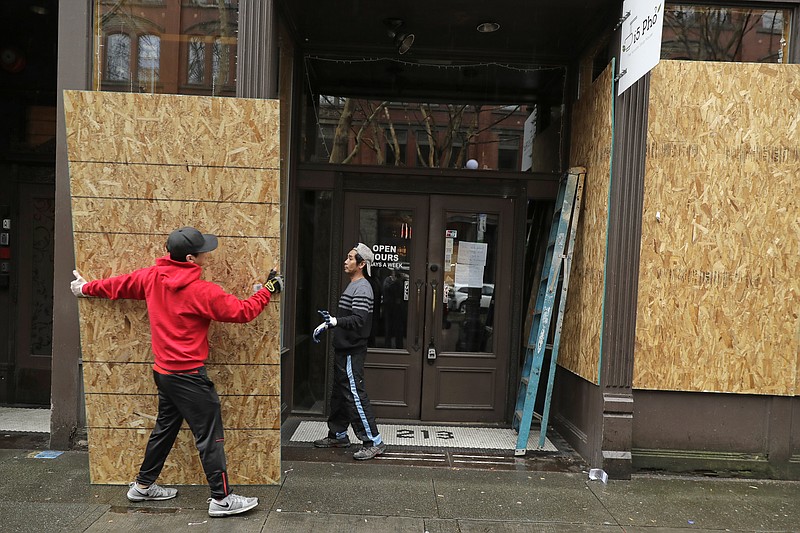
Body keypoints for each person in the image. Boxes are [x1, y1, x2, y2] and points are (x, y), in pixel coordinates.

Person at [70, 226, 282, 518]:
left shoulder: (151, 277)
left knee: (165, 429)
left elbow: (117, 286)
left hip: (165, 373)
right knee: (210, 435)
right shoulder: (201, 291)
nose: (208, 254)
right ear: (192, 260)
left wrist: (84, 288)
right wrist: (269, 289)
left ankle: (143, 486)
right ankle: (222, 499)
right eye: (204, 251)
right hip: (189, 378)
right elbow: (242, 311)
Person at [311, 243, 386, 460]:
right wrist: (328, 325)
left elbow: (359, 320)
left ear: (362, 264)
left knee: (354, 393)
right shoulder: (353, 284)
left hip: (352, 350)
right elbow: (347, 319)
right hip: (344, 348)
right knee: (340, 393)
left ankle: (373, 441)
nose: (346, 261)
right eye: (347, 257)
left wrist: (334, 321)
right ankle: (338, 434)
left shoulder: (362, 287)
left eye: (351, 258)